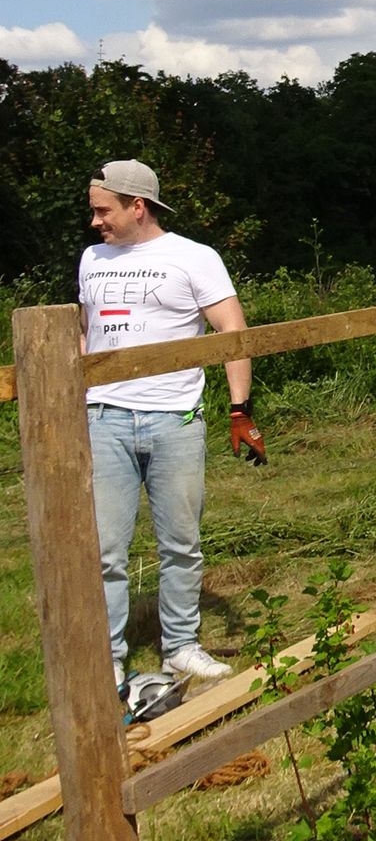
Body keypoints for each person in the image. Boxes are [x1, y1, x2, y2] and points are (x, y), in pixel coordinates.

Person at [79, 159, 266, 714]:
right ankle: (109, 657)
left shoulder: (193, 257)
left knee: (180, 544)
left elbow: (231, 329)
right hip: (104, 417)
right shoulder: (92, 259)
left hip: (174, 420)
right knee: (104, 548)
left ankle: (180, 648)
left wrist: (240, 411)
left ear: (138, 206)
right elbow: (86, 333)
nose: (95, 222)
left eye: (102, 210)